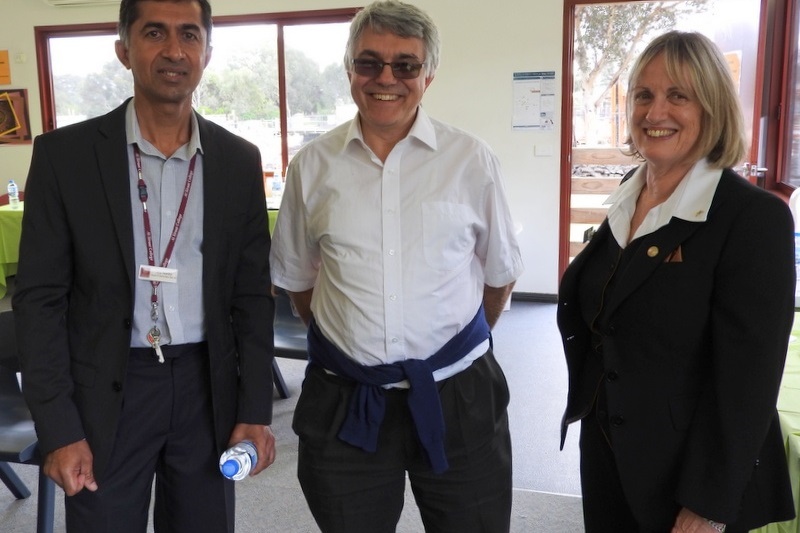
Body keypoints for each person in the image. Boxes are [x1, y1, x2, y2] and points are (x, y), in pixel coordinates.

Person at [12, 0, 276, 531]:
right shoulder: (66, 157)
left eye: (190, 35)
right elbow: (39, 302)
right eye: (154, 32)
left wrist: (254, 410)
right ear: (124, 50)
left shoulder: (237, 160)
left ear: (206, 51)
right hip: (109, 387)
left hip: (207, 386)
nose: (175, 50)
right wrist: (60, 428)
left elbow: (250, 298)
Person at [269, 1, 524, 531]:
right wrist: (355, 342)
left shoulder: (471, 160)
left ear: (428, 75)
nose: (386, 78)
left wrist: (453, 343)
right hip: (347, 398)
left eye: (405, 65)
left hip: (458, 393)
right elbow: (298, 279)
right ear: (349, 71)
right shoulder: (312, 166)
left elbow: (499, 275)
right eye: (370, 63)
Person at [558, 30, 796, 533]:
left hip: (686, 474)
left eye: (678, 96)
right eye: (643, 95)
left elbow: (748, 383)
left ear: (711, 107)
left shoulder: (751, 219)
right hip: (610, 449)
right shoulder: (631, 191)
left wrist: (707, 505)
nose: (654, 111)